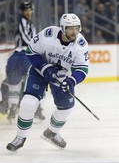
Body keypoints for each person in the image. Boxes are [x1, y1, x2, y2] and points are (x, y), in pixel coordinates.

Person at [6, 13, 89, 152]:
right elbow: (31, 51)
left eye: (77, 28)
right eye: (70, 28)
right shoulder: (48, 34)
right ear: (62, 28)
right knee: (28, 102)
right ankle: (20, 138)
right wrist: (44, 67)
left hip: (62, 77)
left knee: (66, 108)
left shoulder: (81, 44)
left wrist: (71, 81)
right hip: (39, 71)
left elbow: (82, 69)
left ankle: (52, 132)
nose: (74, 32)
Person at [0, 2, 45, 122]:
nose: (28, 12)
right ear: (22, 12)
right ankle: (35, 109)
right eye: (26, 10)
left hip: (17, 56)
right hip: (25, 56)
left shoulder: (29, 24)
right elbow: (29, 41)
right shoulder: (23, 23)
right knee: (34, 82)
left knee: (14, 85)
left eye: (30, 10)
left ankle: (12, 109)